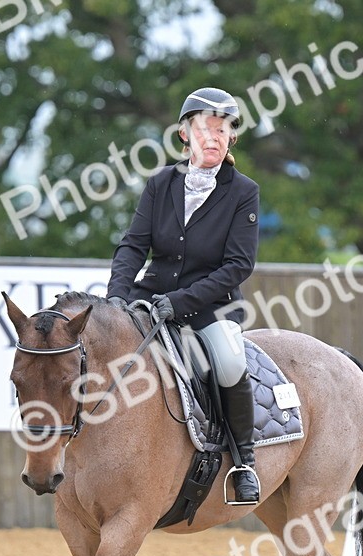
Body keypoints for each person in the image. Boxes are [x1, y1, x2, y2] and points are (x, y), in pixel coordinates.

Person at [107, 87, 262, 504]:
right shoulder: (161, 184)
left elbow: (238, 266)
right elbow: (133, 245)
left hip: (212, 305)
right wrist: (118, 297)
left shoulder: (243, 191)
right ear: (183, 134)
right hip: (151, 297)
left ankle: (244, 462)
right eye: (203, 129)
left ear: (232, 138)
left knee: (229, 362)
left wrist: (182, 301)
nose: (212, 137)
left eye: (222, 129)